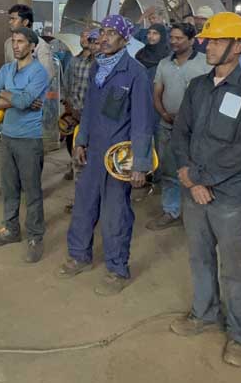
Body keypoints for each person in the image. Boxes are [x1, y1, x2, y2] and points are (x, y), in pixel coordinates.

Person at [169, 12, 241, 368]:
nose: (208, 47)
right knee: (199, 257)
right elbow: (180, 132)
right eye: (208, 40)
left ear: (238, 46)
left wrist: (201, 180)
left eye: (216, 41)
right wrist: (188, 174)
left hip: (229, 195)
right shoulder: (198, 86)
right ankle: (205, 313)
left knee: (234, 266)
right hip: (194, 187)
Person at [58, 15, 155, 297]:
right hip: (94, 151)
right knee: (84, 204)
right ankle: (79, 256)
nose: (104, 38)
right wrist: (80, 140)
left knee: (115, 214)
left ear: (125, 39)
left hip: (117, 157)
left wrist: (139, 163)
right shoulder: (96, 68)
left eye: (112, 33)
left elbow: (143, 122)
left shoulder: (135, 73)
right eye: (103, 32)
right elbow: (89, 109)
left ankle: (117, 270)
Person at [0, 27, 51, 262]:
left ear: (32, 46)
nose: (16, 45)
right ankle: (11, 230)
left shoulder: (39, 72)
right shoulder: (6, 69)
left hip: (29, 139)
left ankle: (35, 237)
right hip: (8, 137)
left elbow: (23, 102)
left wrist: (7, 94)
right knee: (10, 188)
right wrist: (16, 97)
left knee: (32, 191)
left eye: (21, 41)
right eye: (14, 41)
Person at [147, 22, 210, 231]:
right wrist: (164, 114)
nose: (174, 42)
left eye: (179, 38)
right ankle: (171, 211)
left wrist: (188, 119)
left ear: (191, 40)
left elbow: (211, 96)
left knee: (195, 171)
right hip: (167, 126)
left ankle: (196, 215)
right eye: (172, 37)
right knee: (168, 170)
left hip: (195, 129)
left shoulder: (205, 63)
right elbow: (157, 93)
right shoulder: (164, 63)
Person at [62, 29, 98, 212]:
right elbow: (68, 86)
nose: (92, 44)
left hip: (96, 121)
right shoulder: (76, 61)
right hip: (77, 118)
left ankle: (95, 201)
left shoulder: (103, 66)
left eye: (95, 41)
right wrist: (69, 108)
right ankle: (80, 201)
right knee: (79, 159)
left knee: (95, 162)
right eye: (89, 40)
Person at [3, 4, 56, 80]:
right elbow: (7, 71)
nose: (10, 22)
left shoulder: (40, 45)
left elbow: (48, 75)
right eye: (10, 19)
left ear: (25, 22)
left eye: (13, 19)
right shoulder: (8, 43)